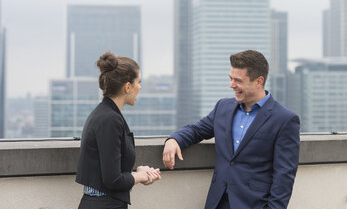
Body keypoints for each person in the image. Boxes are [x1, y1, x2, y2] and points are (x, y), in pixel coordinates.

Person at [163, 50, 300, 209]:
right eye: (230, 78)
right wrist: (174, 140)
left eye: (238, 80)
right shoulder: (223, 107)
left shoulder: (285, 119)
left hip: (254, 204)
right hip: (217, 202)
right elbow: (196, 130)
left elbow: (284, 177)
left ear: (259, 81)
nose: (231, 85)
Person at [76, 52, 161, 209]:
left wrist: (136, 173)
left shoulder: (104, 114)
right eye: (138, 82)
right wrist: (140, 176)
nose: (140, 87)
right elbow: (113, 179)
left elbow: (110, 170)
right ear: (128, 87)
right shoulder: (110, 119)